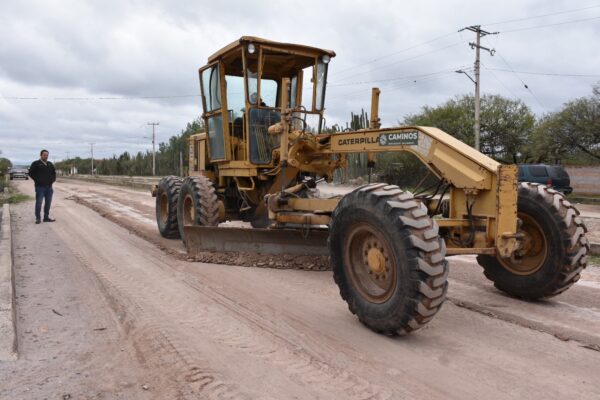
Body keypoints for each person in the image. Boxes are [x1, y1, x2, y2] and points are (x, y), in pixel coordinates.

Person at [28, 149, 56, 224]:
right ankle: (38, 218)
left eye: (47, 155)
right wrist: (37, 180)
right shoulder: (36, 163)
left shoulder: (50, 164)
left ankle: (46, 217)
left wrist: (52, 180)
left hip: (49, 188)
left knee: (48, 203)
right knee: (39, 203)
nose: (46, 156)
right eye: (44, 155)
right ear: (41, 155)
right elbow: (30, 173)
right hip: (40, 187)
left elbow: (54, 173)